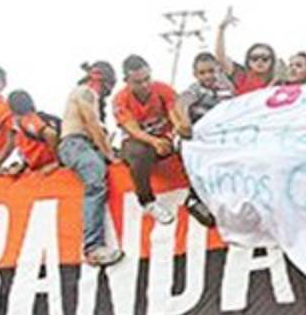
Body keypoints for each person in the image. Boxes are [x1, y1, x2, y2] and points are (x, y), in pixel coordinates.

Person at [59, 61, 124, 267]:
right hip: (76, 143)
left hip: (83, 145)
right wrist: (109, 154)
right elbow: (91, 123)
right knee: (95, 180)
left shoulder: (88, 94)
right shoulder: (86, 92)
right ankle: (93, 247)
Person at [113, 55, 189, 225]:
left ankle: (199, 193)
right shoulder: (120, 99)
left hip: (165, 137)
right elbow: (133, 129)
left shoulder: (163, 89)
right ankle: (147, 202)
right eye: (138, 82)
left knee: (189, 143)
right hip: (137, 142)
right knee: (139, 153)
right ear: (127, 81)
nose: (145, 85)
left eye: (147, 79)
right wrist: (155, 142)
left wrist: (178, 131)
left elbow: (174, 114)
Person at [177, 52, 236, 226]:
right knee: (198, 164)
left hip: (220, 137)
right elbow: (181, 103)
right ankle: (193, 199)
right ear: (195, 74)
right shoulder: (195, 89)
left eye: (211, 71)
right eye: (202, 73)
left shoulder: (227, 88)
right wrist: (184, 121)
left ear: (218, 70)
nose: (207, 76)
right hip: (197, 138)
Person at [216, 6, 276, 95]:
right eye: (255, 58)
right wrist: (221, 29)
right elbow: (221, 58)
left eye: (265, 58)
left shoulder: (278, 83)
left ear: (272, 61)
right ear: (248, 61)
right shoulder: (241, 76)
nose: (259, 61)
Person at [2, 90, 60, 175]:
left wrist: (58, 162)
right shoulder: (20, 129)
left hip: (49, 165)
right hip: (38, 167)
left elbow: (51, 134)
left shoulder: (28, 119)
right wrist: (23, 166)